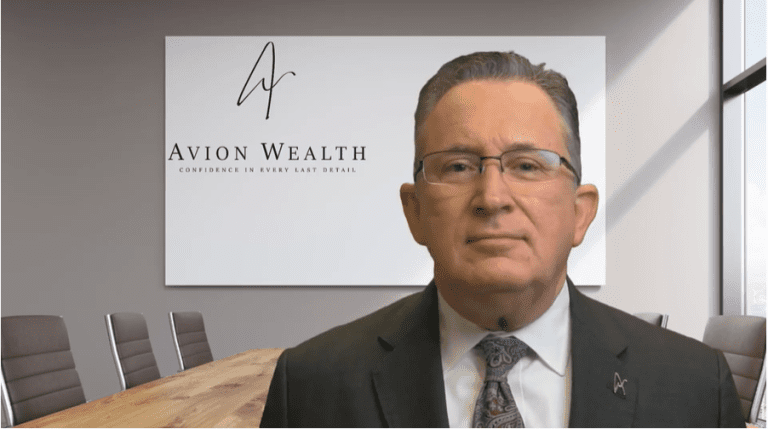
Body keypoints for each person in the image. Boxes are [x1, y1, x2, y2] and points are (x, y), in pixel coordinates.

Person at [260, 51, 744, 428]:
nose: (492, 197)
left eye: (527, 165)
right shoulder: (311, 386)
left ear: (580, 213)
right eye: (457, 166)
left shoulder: (695, 387)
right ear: (415, 212)